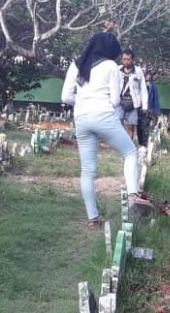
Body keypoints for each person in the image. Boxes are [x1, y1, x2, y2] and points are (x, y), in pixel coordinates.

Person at [61, 31, 152, 226]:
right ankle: (133, 196)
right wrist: (97, 102)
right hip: (103, 114)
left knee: (87, 170)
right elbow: (115, 100)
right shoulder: (111, 66)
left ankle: (93, 218)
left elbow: (65, 97)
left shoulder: (76, 64)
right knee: (130, 153)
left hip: (81, 118)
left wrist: (84, 101)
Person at [118, 49, 148, 143]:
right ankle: (119, 144)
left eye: (128, 59)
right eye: (124, 59)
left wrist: (145, 106)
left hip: (133, 103)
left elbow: (143, 89)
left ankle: (128, 145)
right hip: (119, 102)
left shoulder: (138, 71)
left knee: (130, 126)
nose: (126, 61)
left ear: (132, 60)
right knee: (116, 125)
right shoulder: (117, 70)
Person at [142, 67, 161, 143]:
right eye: (147, 75)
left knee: (150, 124)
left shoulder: (153, 86)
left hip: (150, 107)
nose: (149, 76)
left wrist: (157, 111)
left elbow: (156, 99)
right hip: (141, 107)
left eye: (150, 75)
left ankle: (149, 140)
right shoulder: (141, 84)